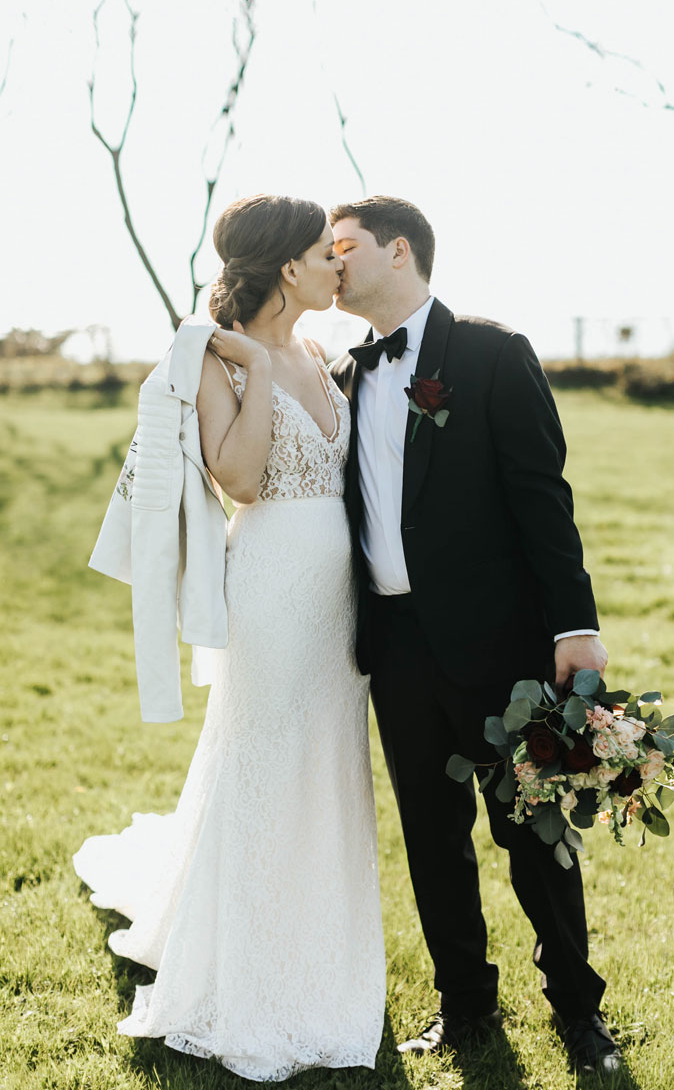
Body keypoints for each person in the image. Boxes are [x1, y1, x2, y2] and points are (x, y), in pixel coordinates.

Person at [73, 194, 385, 1082]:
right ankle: (250, 966)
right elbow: (242, 478)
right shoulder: (214, 359)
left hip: (339, 598)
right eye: (325, 255)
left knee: (327, 762)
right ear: (288, 268)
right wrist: (249, 360)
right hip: (271, 590)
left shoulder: (322, 352)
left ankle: (323, 945)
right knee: (265, 761)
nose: (338, 266)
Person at [327, 195, 623, 1078]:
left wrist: (574, 625)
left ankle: (578, 1009)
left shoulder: (493, 353)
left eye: (343, 248)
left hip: (500, 645)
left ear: (399, 249)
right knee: (430, 835)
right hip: (394, 647)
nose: (331, 263)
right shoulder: (343, 374)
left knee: (532, 831)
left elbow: (542, 497)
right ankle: (463, 1007)